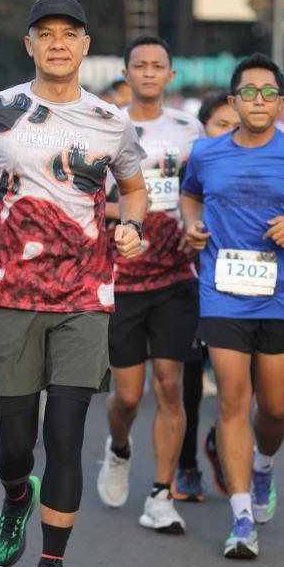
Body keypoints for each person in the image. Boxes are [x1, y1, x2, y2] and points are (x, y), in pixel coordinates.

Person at [0, 0, 147, 567]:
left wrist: (132, 226)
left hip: (87, 295)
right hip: (10, 292)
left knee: (65, 436)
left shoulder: (111, 119)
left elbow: (134, 188)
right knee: (14, 446)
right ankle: (15, 496)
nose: (58, 44)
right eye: (46, 34)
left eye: (70, 34)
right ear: (29, 44)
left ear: (86, 46)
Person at [181, 53, 284, 560]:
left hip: (279, 296)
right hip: (222, 292)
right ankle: (242, 517)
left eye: (269, 93)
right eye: (248, 92)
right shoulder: (206, 153)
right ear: (234, 100)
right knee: (231, 400)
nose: (258, 101)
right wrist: (192, 224)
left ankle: (264, 466)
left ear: (281, 103)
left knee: (273, 409)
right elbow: (190, 194)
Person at [96, 35, 203, 529]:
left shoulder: (189, 128)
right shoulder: (105, 123)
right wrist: (134, 212)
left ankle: (161, 494)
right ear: (126, 74)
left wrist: (192, 226)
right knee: (127, 397)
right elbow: (89, 200)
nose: (149, 74)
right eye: (140, 66)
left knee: (171, 384)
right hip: (122, 274)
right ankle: (119, 448)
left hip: (175, 274)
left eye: (158, 66)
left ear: (170, 75)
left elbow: (197, 192)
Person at [177, 91, 241, 501]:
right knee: (190, 382)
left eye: (237, 125)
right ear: (203, 129)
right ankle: (186, 465)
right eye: (222, 125)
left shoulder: (264, 162)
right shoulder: (193, 164)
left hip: (246, 289)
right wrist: (190, 234)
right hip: (191, 284)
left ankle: (220, 440)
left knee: (244, 383)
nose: (231, 133)